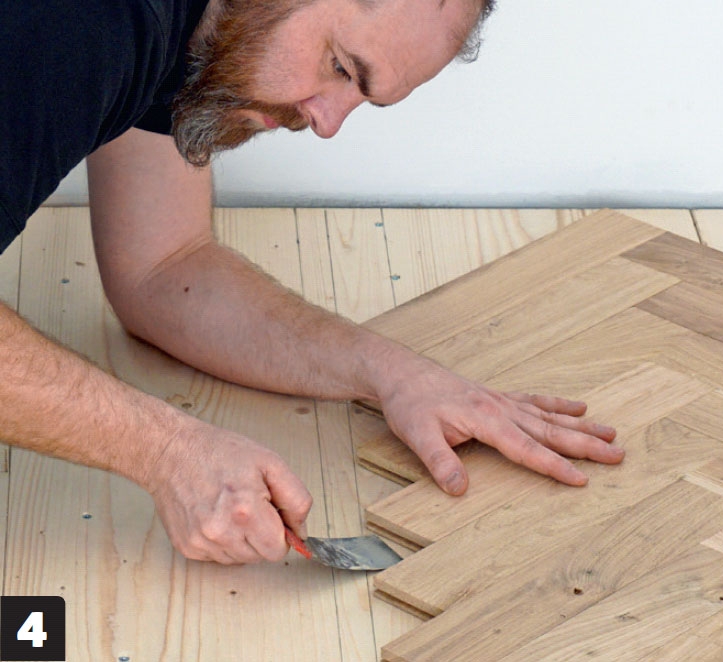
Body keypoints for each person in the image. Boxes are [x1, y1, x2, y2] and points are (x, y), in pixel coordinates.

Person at [0, 0, 624, 565]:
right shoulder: (79, 22)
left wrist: (392, 373)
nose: (327, 123)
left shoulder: (195, 32)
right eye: (340, 67)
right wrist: (166, 451)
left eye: (363, 97)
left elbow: (163, 266)